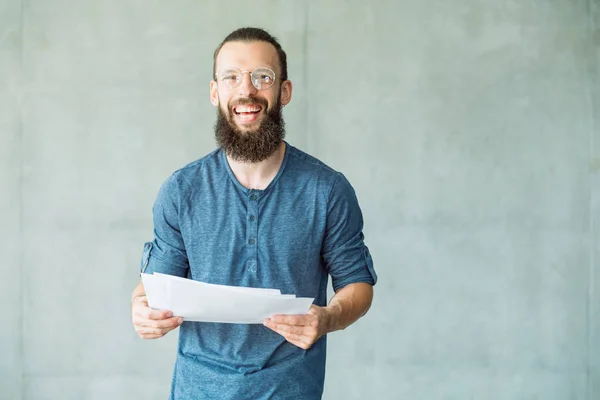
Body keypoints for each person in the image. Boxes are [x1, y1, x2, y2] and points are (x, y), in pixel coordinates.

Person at [130, 27, 377, 400]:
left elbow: (357, 284)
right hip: (198, 389)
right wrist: (140, 307)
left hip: (290, 389)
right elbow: (156, 283)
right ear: (215, 93)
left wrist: (328, 317)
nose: (246, 91)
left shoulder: (326, 190)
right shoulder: (182, 190)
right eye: (231, 77)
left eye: (263, 76)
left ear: (285, 91)